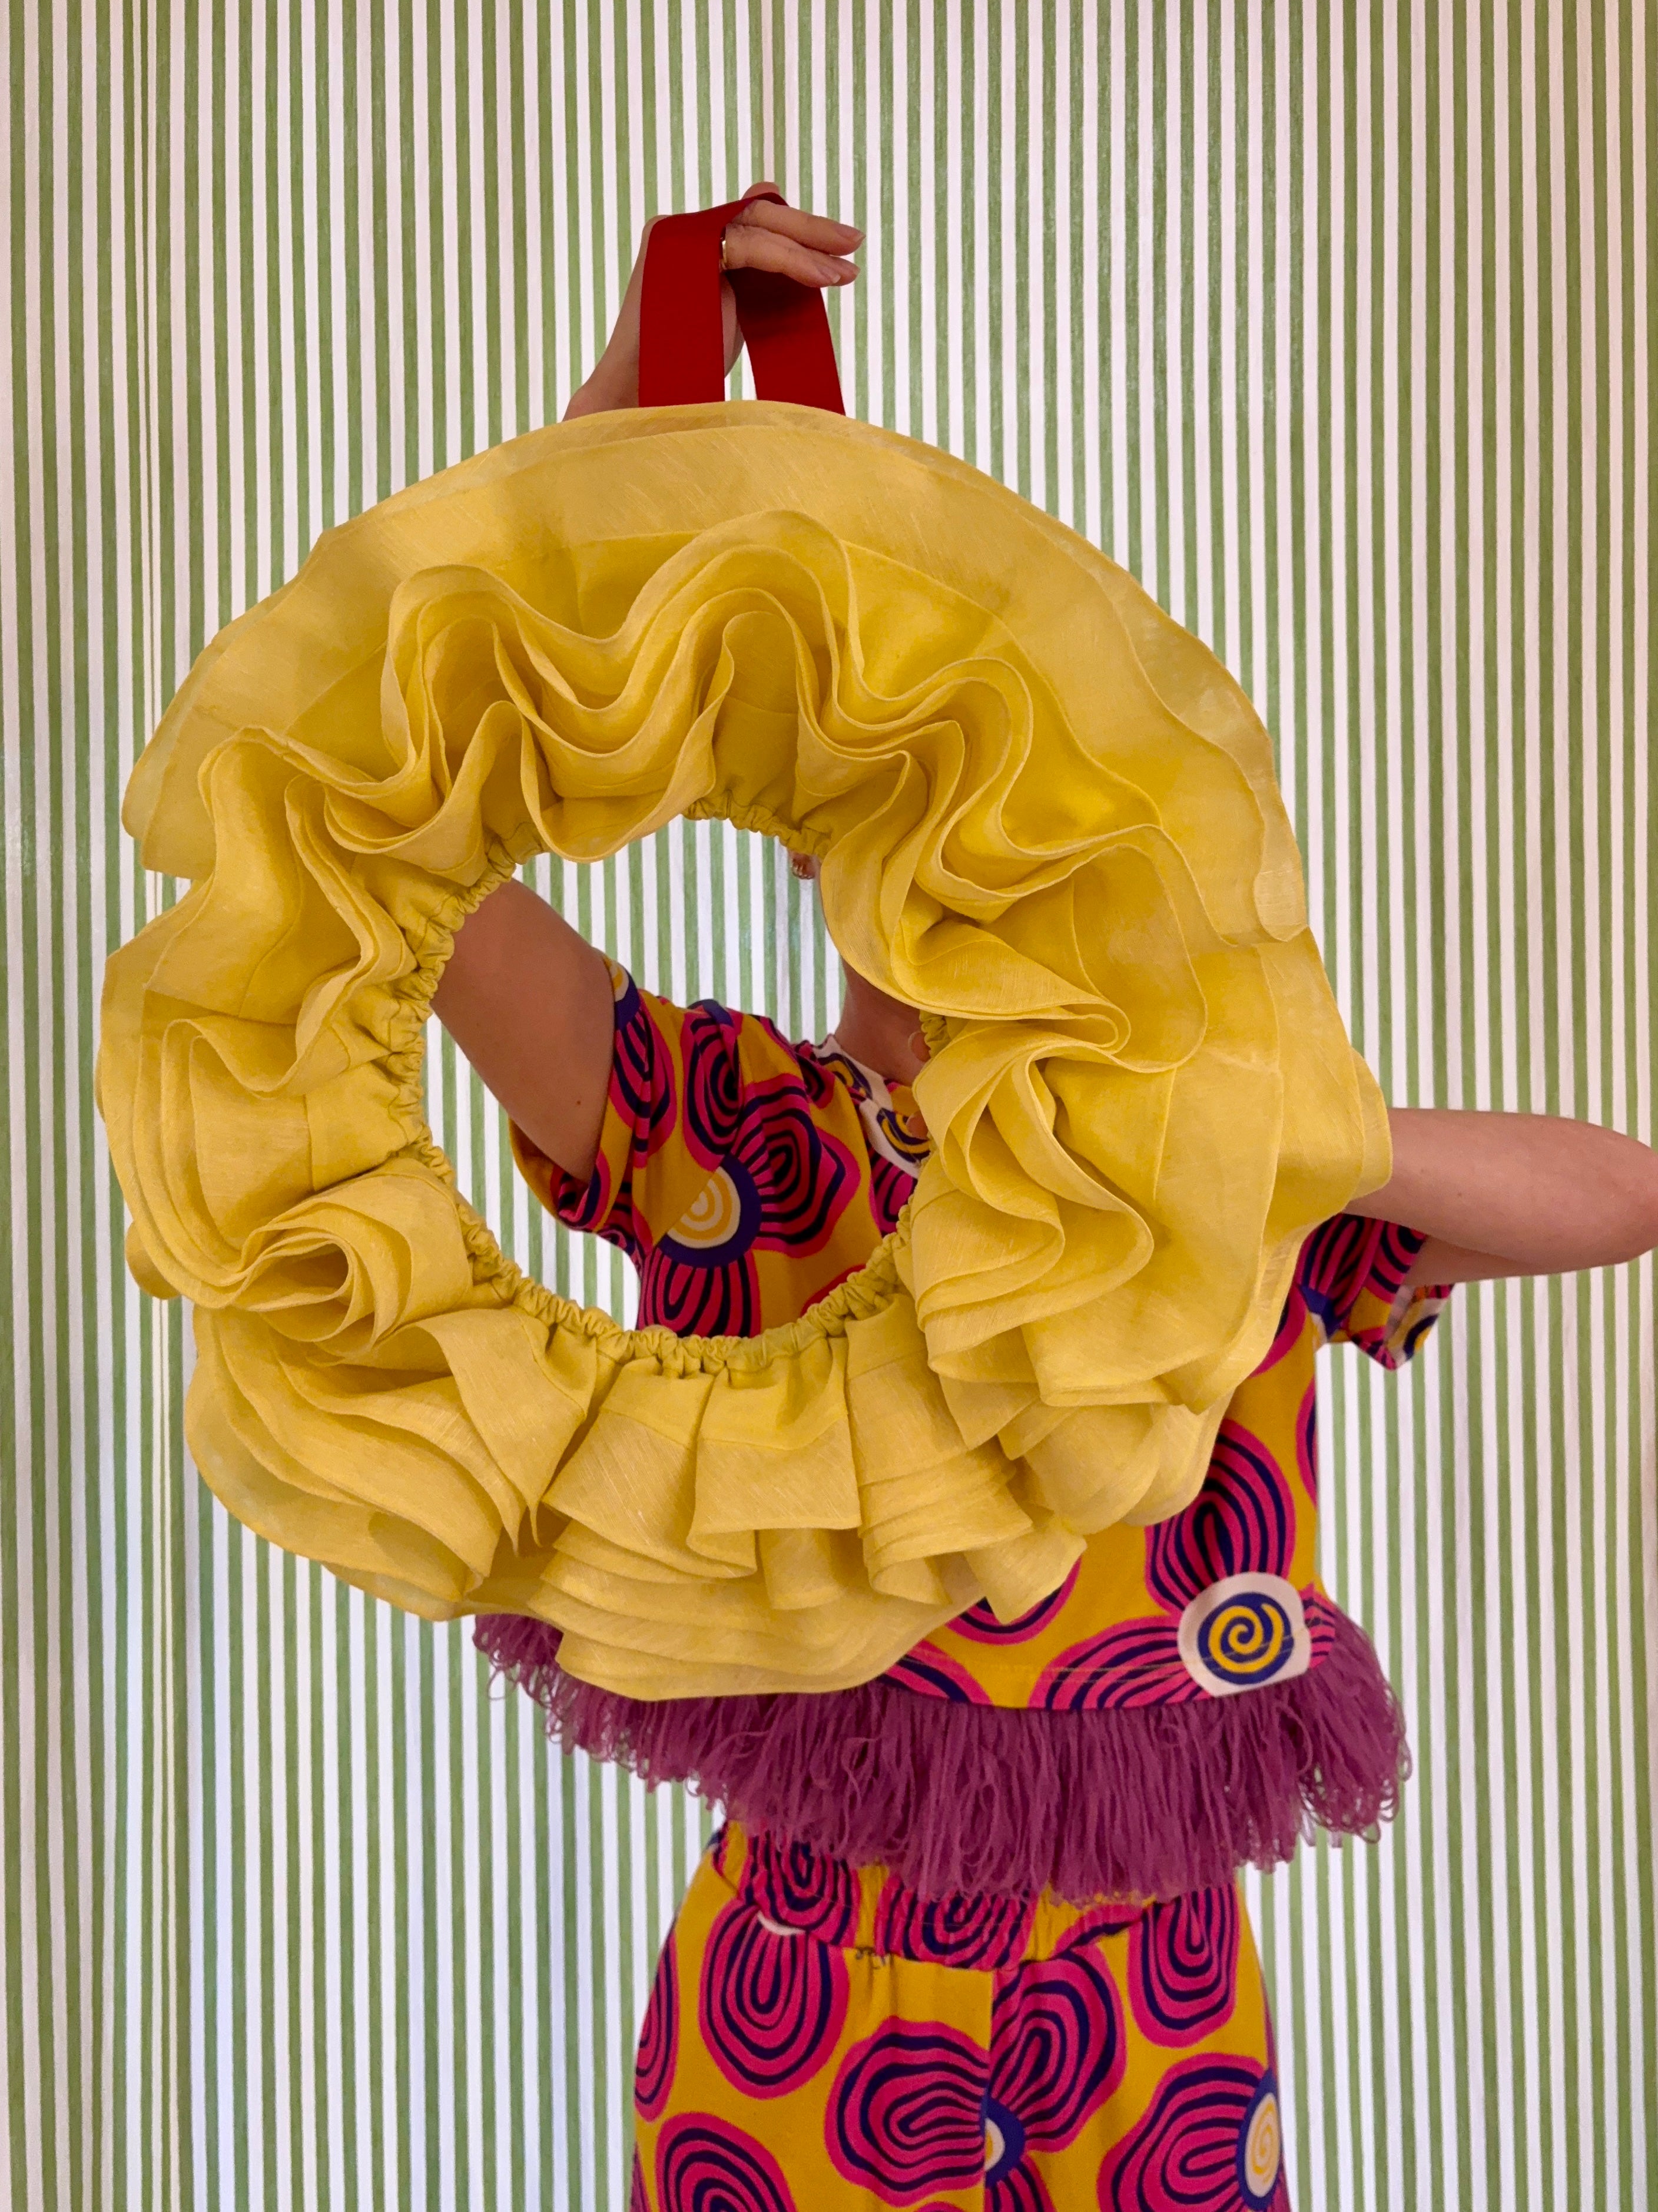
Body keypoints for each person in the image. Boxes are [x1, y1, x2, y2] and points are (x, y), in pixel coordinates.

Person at [433, 185, 1658, 2211]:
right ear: (827, 829)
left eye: (1031, 809)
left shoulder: (1215, 1169)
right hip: (805, 2008)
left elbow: (1618, 1191)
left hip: (1155, 2004)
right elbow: (432, 852)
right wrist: (660, 381)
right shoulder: (747, 1128)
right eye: (918, 798)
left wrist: (1254, 1127)